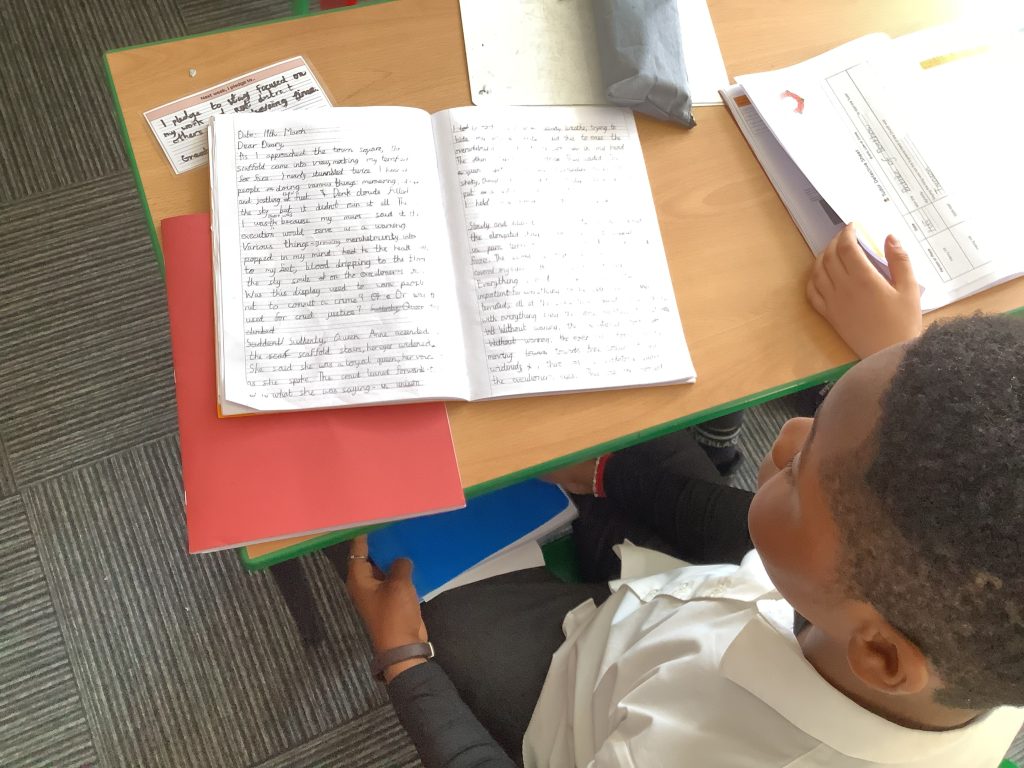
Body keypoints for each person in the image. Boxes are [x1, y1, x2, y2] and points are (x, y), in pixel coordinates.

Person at [345, 225, 1024, 767]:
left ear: (881, 656)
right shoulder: (956, 630)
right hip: (706, 590)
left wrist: (406, 667)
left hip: (568, 692)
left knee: (383, 532)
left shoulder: (684, 752)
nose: (785, 435)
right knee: (612, 394)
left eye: (801, 469)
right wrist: (898, 353)